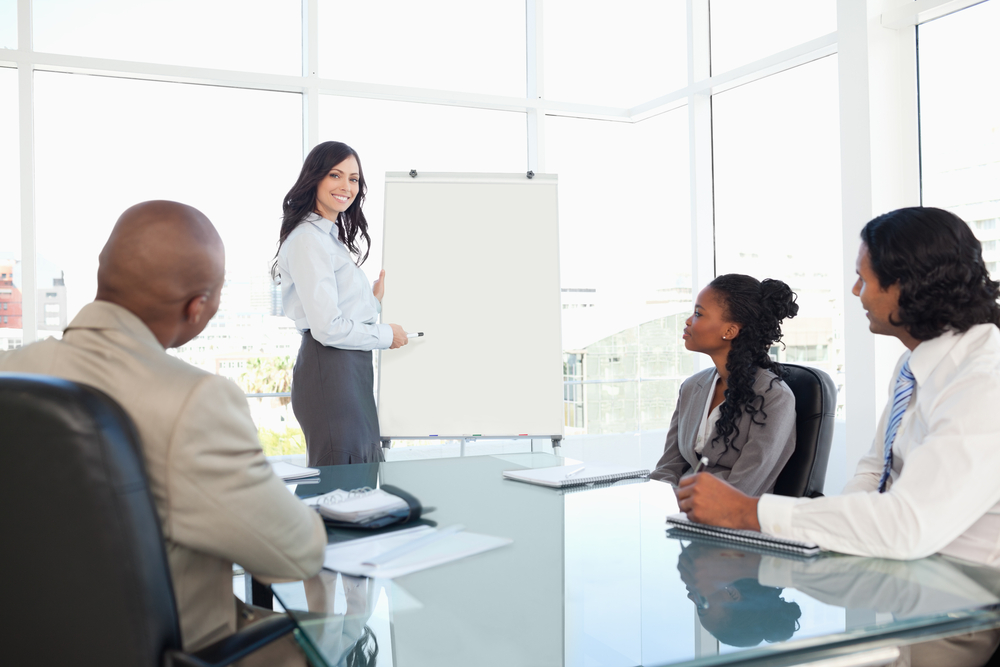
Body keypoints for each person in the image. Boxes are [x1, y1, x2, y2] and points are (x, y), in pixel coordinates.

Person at [0, 201, 326, 656]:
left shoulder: (11, 370)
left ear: (103, 272)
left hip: (28, 647)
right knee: (346, 634)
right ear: (198, 308)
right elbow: (297, 554)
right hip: (184, 652)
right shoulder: (195, 402)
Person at [676, 207, 1000, 568]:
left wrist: (751, 512)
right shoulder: (913, 366)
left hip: (972, 590)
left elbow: (909, 524)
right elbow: (875, 473)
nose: (855, 290)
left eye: (863, 278)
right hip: (901, 568)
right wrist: (829, 546)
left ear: (906, 284)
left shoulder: (986, 381)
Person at [273, 141, 408, 467]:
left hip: (348, 370)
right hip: (331, 369)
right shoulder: (308, 239)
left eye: (354, 179)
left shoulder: (326, 237)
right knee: (343, 481)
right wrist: (387, 335)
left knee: (358, 475)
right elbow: (327, 328)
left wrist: (371, 300)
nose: (346, 186)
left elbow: (334, 310)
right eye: (336, 175)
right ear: (315, 178)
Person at [650, 274, 799, 495]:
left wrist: (682, 505)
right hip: (679, 511)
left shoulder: (774, 397)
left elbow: (744, 487)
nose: (689, 321)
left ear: (729, 331)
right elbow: (668, 468)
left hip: (731, 522)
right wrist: (652, 503)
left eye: (699, 314)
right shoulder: (692, 387)